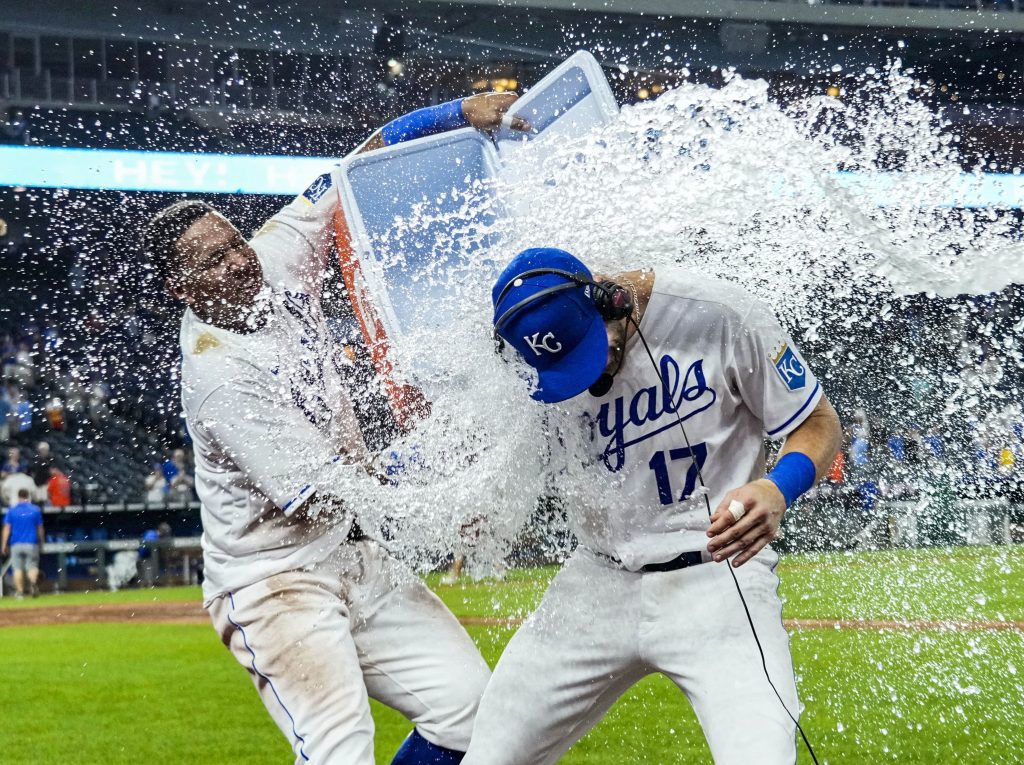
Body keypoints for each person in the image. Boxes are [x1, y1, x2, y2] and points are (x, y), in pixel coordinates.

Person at [140, 92, 526, 765]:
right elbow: (328, 490)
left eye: (233, 239)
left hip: (351, 550)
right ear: (181, 288)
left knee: (472, 715)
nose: (236, 259)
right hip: (274, 580)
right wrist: (437, 485)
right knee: (339, 747)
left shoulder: (276, 249)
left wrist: (458, 113)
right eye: (212, 260)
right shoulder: (218, 378)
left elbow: (356, 167)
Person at [467, 248, 842, 765]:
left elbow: (819, 423)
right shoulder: (530, 369)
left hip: (717, 572)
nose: (585, 376)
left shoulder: (718, 313)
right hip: (596, 581)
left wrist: (779, 487)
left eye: (588, 351)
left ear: (608, 300)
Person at [2, 487, 44, 598]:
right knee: (32, 567)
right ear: (28, 496)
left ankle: (20, 593)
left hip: (16, 543)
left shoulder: (12, 510)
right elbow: (40, 527)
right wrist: (42, 541)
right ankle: (33, 584)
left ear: (18, 497)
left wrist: (3, 544)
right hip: (31, 543)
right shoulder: (34, 510)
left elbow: (7, 528)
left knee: (17, 569)